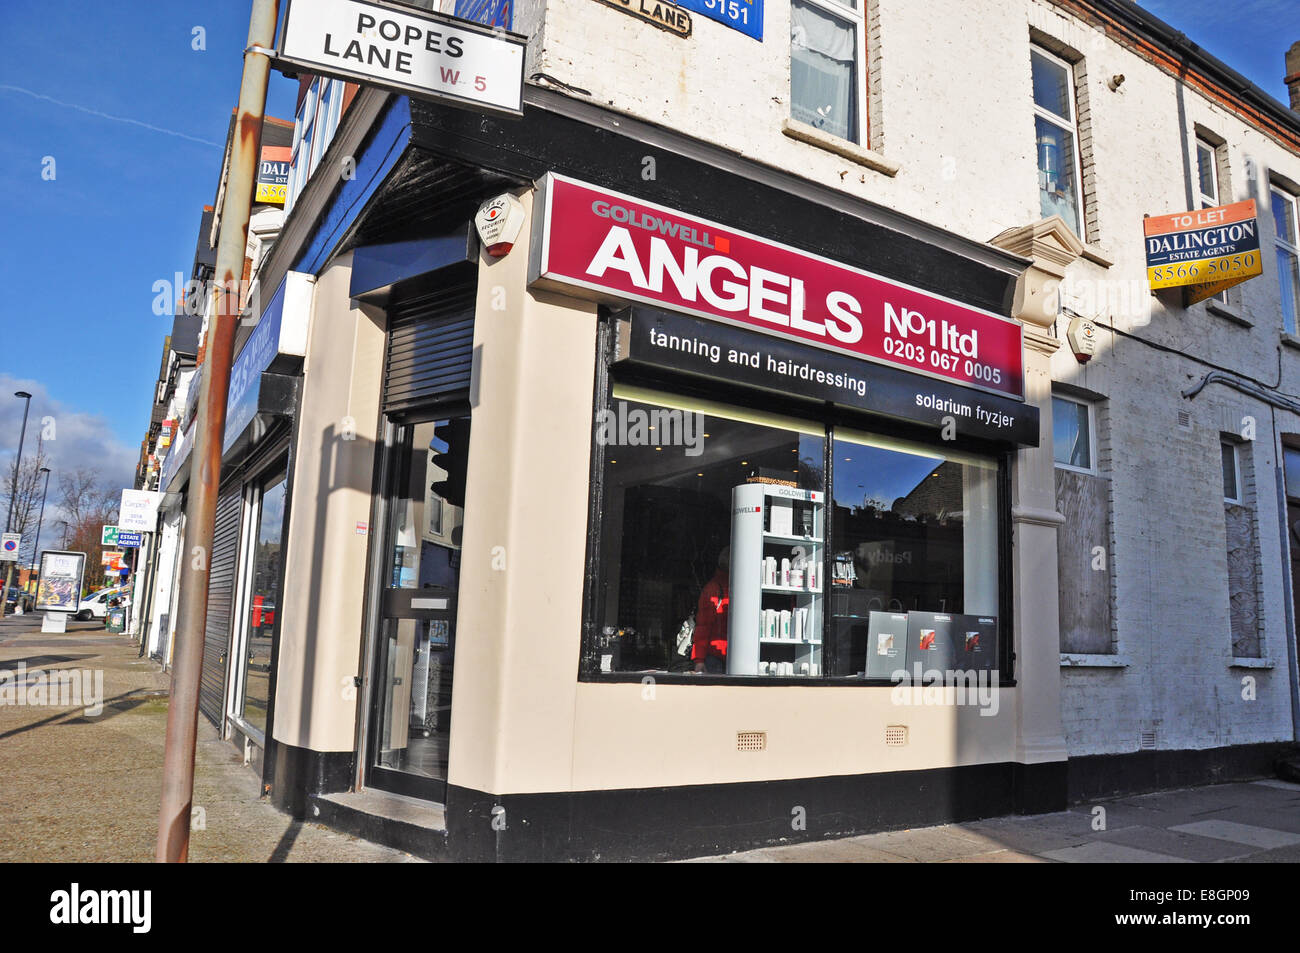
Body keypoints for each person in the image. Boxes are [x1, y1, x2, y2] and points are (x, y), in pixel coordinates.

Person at [692, 547, 730, 674]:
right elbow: (703, 627)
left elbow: (703, 626)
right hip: (717, 658)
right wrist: (699, 660)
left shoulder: (712, 588)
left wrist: (699, 659)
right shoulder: (714, 589)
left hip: (716, 656)